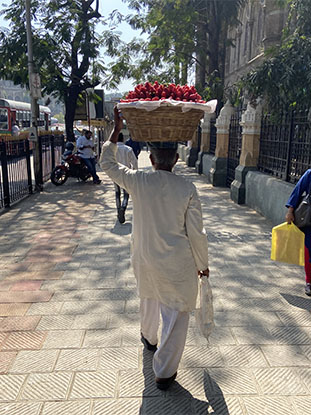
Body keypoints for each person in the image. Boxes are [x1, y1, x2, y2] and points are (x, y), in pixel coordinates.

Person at [100, 107, 209, 390]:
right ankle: (163, 371)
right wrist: (203, 264)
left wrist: (116, 129)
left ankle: (149, 339)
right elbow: (197, 234)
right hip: (177, 264)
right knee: (175, 314)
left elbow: (108, 164)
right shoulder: (187, 189)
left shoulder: (138, 181)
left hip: (145, 258)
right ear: (175, 159)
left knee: (148, 297)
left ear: (151, 158)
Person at [286, 169, 311, 296]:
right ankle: (309, 282)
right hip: (309, 219)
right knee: (309, 249)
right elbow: (298, 190)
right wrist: (290, 211)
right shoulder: (310, 174)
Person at [115, 132, 138, 223]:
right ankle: (123, 208)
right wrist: (134, 171)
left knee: (117, 193)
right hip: (126, 174)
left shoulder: (112, 150)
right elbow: (134, 162)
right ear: (123, 139)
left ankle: (118, 209)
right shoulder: (128, 149)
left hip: (115, 174)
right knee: (126, 193)